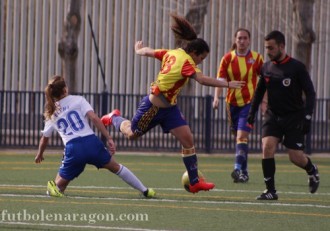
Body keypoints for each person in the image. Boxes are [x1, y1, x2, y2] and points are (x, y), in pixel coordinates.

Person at [101, 14, 245, 193]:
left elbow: (150, 52)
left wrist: (139, 50)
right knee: (131, 134)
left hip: (170, 109)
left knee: (188, 139)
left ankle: (194, 182)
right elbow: (201, 79)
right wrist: (227, 84)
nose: (201, 61)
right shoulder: (187, 62)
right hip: (153, 107)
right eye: (202, 58)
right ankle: (113, 117)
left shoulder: (172, 53)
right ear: (194, 53)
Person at [35, 75, 155, 198]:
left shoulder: (51, 111)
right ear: (65, 89)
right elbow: (94, 118)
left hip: (73, 148)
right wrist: (108, 137)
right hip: (91, 142)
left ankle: (52, 189)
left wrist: (40, 154)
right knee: (116, 167)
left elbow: (44, 138)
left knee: (59, 186)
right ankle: (145, 190)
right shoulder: (78, 100)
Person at [247, 30, 320, 200]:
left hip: (294, 116)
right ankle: (270, 191)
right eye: (266, 48)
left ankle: (311, 169)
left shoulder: (297, 68)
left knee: (295, 157)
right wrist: (252, 112)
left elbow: (310, 93)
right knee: (267, 146)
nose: (268, 51)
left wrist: (308, 116)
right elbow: (259, 92)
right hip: (273, 115)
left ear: (281, 46)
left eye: (271, 48)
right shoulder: (266, 68)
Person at [213, 28, 264, 183]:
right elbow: (220, 81)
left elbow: (264, 81)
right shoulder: (227, 58)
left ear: (249, 40)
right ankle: (244, 172)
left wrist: (264, 102)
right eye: (239, 38)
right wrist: (216, 98)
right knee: (239, 139)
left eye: (245, 38)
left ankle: (236, 169)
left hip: (249, 104)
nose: (242, 41)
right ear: (235, 40)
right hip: (231, 104)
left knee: (242, 137)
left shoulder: (257, 58)